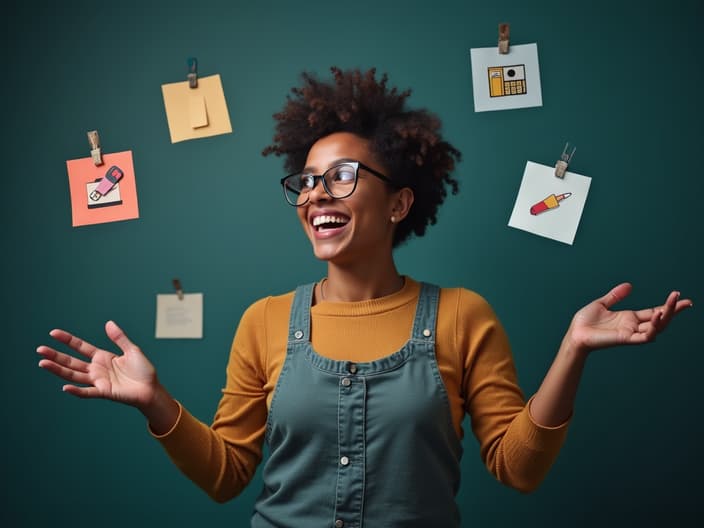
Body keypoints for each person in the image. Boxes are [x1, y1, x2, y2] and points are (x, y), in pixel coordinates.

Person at [37, 67, 692, 528]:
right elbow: (227, 476)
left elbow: (516, 469)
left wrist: (574, 348)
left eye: (342, 177)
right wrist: (155, 403)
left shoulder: (465, 315)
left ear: (400, 202)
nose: (317, 193)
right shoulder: (263, 322)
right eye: (307, 181)